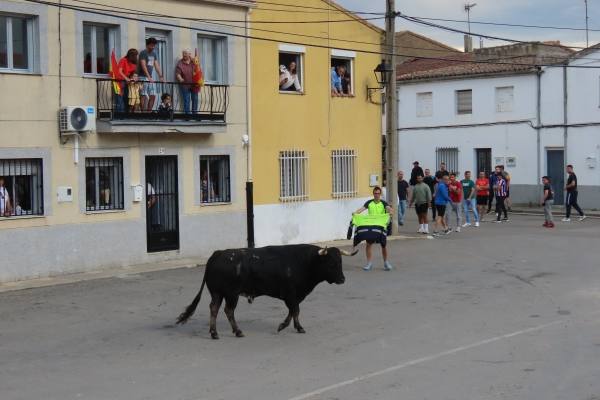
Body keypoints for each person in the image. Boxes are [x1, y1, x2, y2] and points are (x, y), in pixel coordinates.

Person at [353, 187, 394, 271]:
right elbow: (361, 209)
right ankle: (369, 263)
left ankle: (386, 263)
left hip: (380, 228)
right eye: (375, 193)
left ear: (380, 194)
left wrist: (390, 211)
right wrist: (355, 213)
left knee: (383, 246)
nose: (377, 195)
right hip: (371, 227)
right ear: (373, 194)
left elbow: (389, 209)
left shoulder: (383, 203)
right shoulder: (369, 203)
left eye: (378, 193)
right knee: (368, 245)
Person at [138, 37, 165, 112]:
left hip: (150, 77)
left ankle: (149, 112)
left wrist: (161, 76)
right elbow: (143, 66)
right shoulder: (143, 53)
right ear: (147, 45)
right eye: (151, 45)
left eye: (154, 45)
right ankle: (143, 112)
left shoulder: (154, 54)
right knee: (143, 95)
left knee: (153, 95)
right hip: (142, 77)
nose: (153, 47)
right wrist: (148, 77)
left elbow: (156, 65)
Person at [175, 49, 198, 115]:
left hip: (194, 84)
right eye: (183, 53)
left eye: (185, 53)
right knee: (186, 100)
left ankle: (195, 114)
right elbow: (177, 74)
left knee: (195, 99)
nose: (184, 55)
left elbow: (198, 69)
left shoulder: (193, 62)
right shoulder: (180, 63)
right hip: (185, 85)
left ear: (189, 54)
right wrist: (180, 79)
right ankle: (187, 115)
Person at [116, 49, 139, 113]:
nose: (136, 57)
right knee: (120, 98)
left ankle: (125, 114)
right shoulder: (123, 60)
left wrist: (134, 78)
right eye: (134, 56)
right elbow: (119, 71)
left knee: (126, 98)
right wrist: (126, 78)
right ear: (130, 55)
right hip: (119, 82)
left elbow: (132, 74)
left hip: (126, 82)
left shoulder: (134, 63)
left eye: (136, 55)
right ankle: (120, 114)